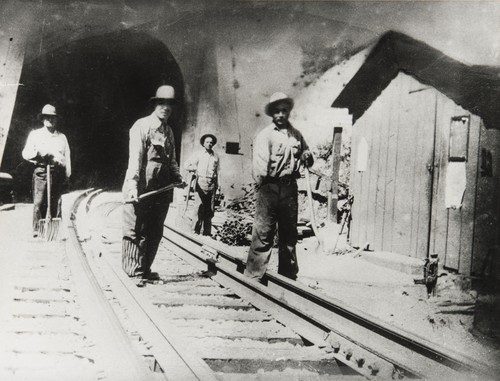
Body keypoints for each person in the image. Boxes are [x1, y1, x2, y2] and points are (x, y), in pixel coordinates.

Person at [244, 92, 313, 281]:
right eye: (277, 111)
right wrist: (266, 189)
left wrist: (307, 155)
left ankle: (288, 277)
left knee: (289, 234)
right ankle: (253, 277)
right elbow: (259, 167)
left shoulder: (296, 135)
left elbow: (306, 154)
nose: (281, 115)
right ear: (272, 114)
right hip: (270, 187)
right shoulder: (265, 135)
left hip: (290, 188)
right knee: (264, 232)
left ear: (289, 112)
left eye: (284, 111)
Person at [122, 85, 186, 280]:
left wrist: (177, 176)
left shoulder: (169, 131)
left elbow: (172, 159)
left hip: (162, 189)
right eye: (161, 103)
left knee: (155, 230)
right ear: (155, 104)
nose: (165, 107)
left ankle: (145, 269)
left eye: (169, 104)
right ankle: (133, 271)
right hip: (142, 188)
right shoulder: (141, 126)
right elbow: (135, 159)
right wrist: (132, 186)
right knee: (136, 229)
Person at [22, 104, 71, 238]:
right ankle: (37, 229)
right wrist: (39, 153)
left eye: (53, 117)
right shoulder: (35, 135)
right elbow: (25, 153)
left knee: (56, 202)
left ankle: (53, 230)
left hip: (57, 173)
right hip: (41, 171)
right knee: (39, 201)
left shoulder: (62, 137)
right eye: (47, 117)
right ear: (42, 119)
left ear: (57, 120)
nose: (50, 120)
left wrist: (67, 175)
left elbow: (67, 157)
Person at [186, 133, 220, 236]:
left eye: (211, 142)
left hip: (212, 183)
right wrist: (193, 169)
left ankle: (207, 232)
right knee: (199, 207)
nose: (209, 144)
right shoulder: (198, 154)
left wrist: (219, 186)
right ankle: (195, 230)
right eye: (207, 142)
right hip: (200, 182)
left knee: (210, 208)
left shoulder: (216, 156)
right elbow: (186, 164)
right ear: (203, 143)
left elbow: (218, 171)